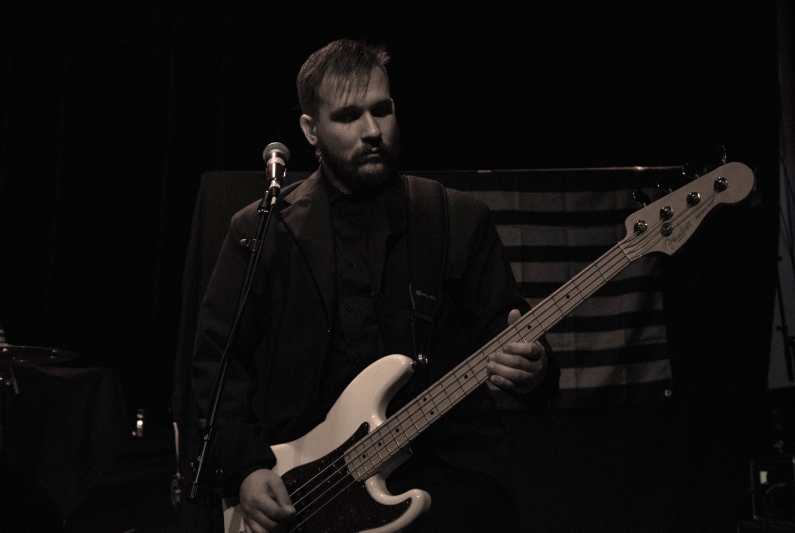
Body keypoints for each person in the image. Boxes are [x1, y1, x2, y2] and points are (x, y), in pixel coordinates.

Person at [191, 39, 559, 533]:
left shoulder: (455, 218)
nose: (371, 131)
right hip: (307, 485)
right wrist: (246, 469)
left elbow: (513, 338)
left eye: (381, 110)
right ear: (311, 130)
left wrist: (533, 367)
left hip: (445, 473)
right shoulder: (261, 232)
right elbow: (219, 363)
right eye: (347, 116)